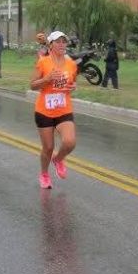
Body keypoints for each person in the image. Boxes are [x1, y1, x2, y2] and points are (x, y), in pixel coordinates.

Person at [30, 31, 78, 189]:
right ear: (50, 45)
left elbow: (72, 83)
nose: (62, 44)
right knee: (48, 148)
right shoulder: (43, 62)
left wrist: (73, 87)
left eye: (64, 41)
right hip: (44, 111)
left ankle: (58, 160)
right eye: (58, 42)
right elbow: (33, 85)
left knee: (70, 142)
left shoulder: (71, 63)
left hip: (63, 109)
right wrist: (47, 79)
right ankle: (44, 174)